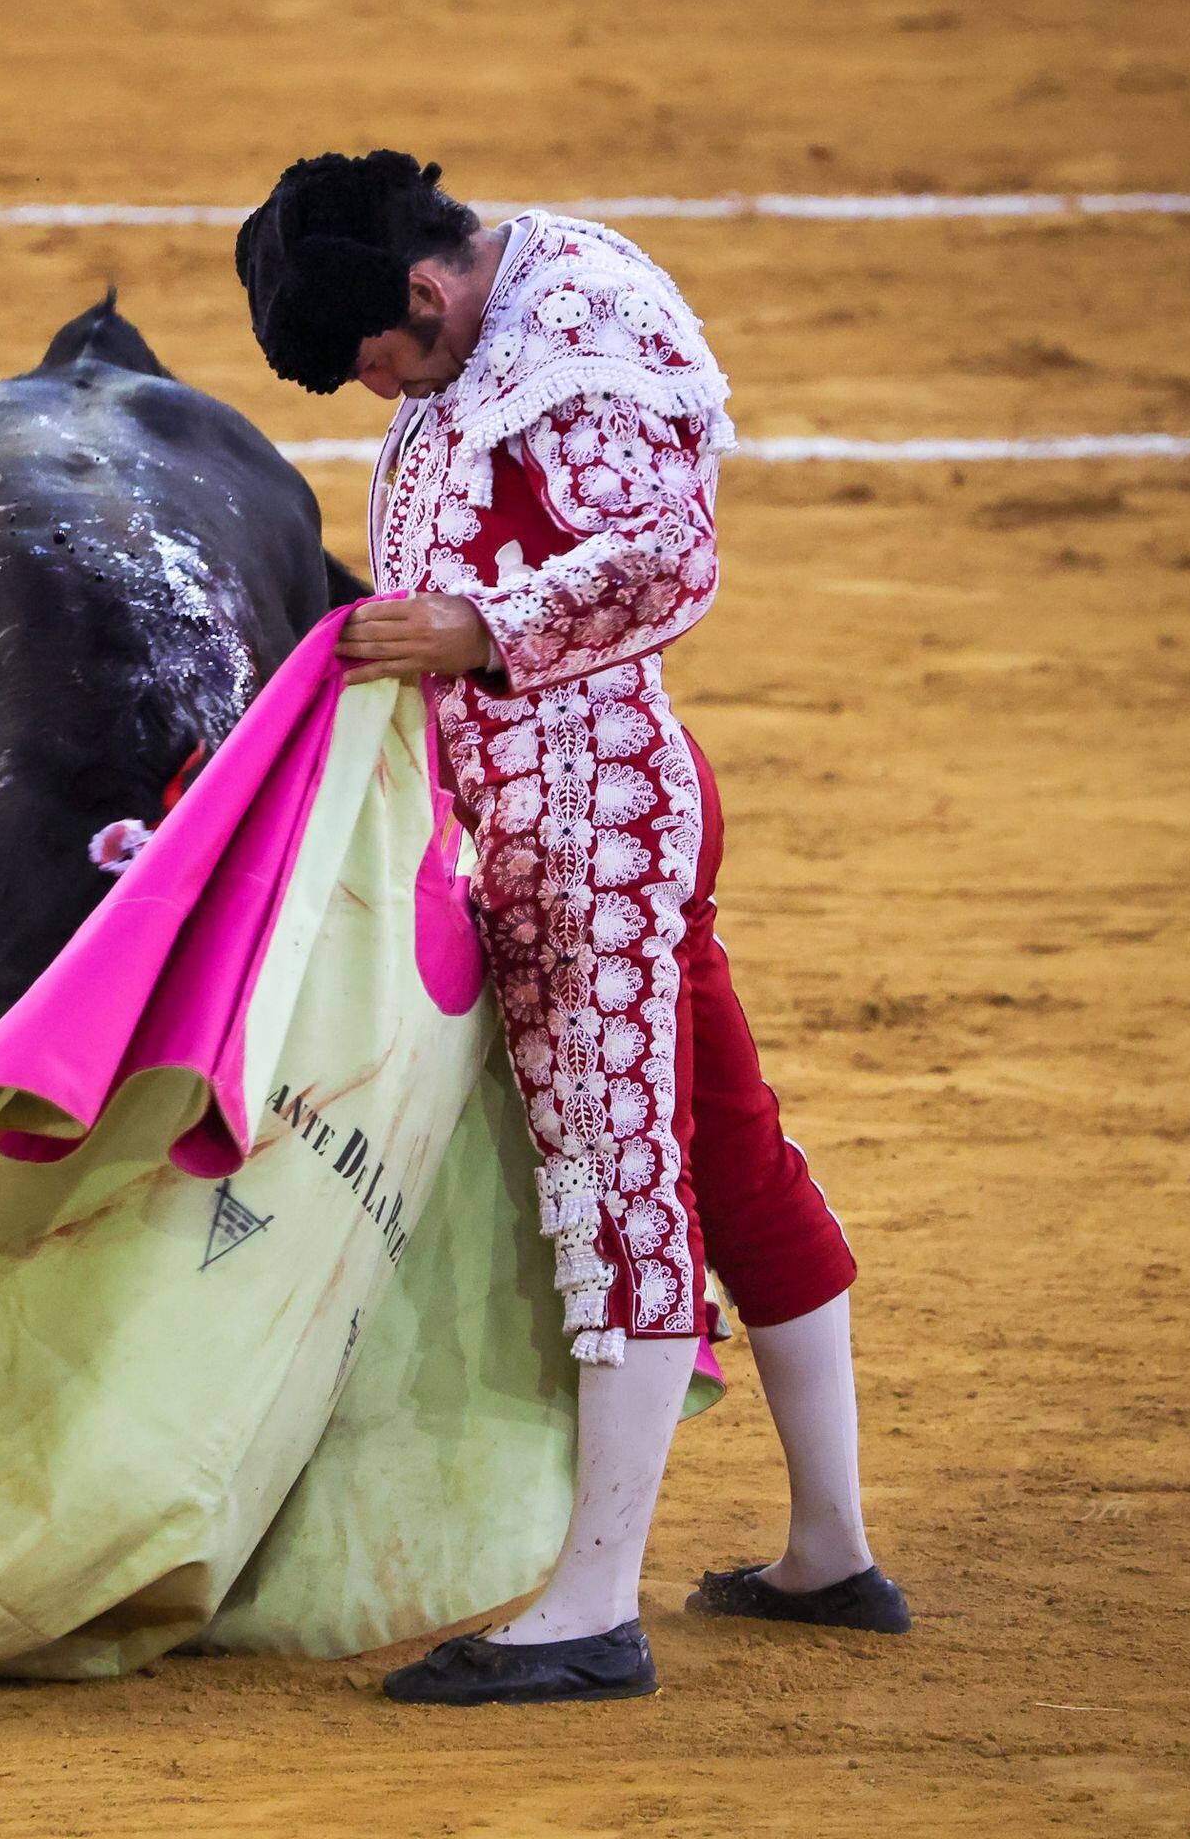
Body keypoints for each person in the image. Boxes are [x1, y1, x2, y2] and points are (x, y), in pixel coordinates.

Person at [234, 151, 910, 1706]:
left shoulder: (580, 335)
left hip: (594, 823)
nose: (373, 391)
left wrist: (479, 631)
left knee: (618, 1175)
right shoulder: (502, 303)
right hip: (565, 809)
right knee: (727, 1153)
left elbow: (673, 555)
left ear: (424, 289)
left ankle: (593, 1607)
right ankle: (829, 1552)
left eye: (372, 360)